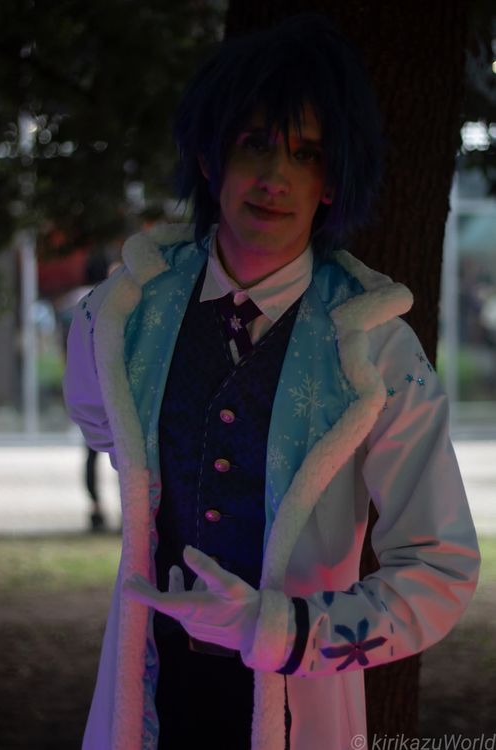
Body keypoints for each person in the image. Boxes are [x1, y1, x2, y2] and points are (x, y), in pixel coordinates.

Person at [63, 13, 480, 750]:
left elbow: (440, 567)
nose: (274, 178)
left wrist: (288, 631)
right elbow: (102, 427)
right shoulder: (121, 316)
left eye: (306, 154)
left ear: (333, 182)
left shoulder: (376, 350)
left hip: (299, 708)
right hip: (147, 699)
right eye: (253, 142)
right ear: (208, 154)